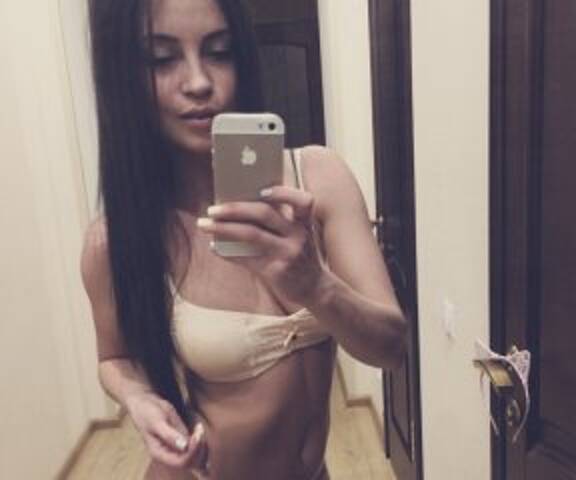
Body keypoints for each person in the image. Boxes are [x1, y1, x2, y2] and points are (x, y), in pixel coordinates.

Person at [80, 0, 407, 478]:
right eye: (162, 59)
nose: (198, 81)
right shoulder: (118, 239)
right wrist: (139, 399)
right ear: (125, 77)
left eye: (220, 51)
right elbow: (114, 357)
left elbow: (391, 348)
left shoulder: (319, 178)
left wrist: (316, 285)